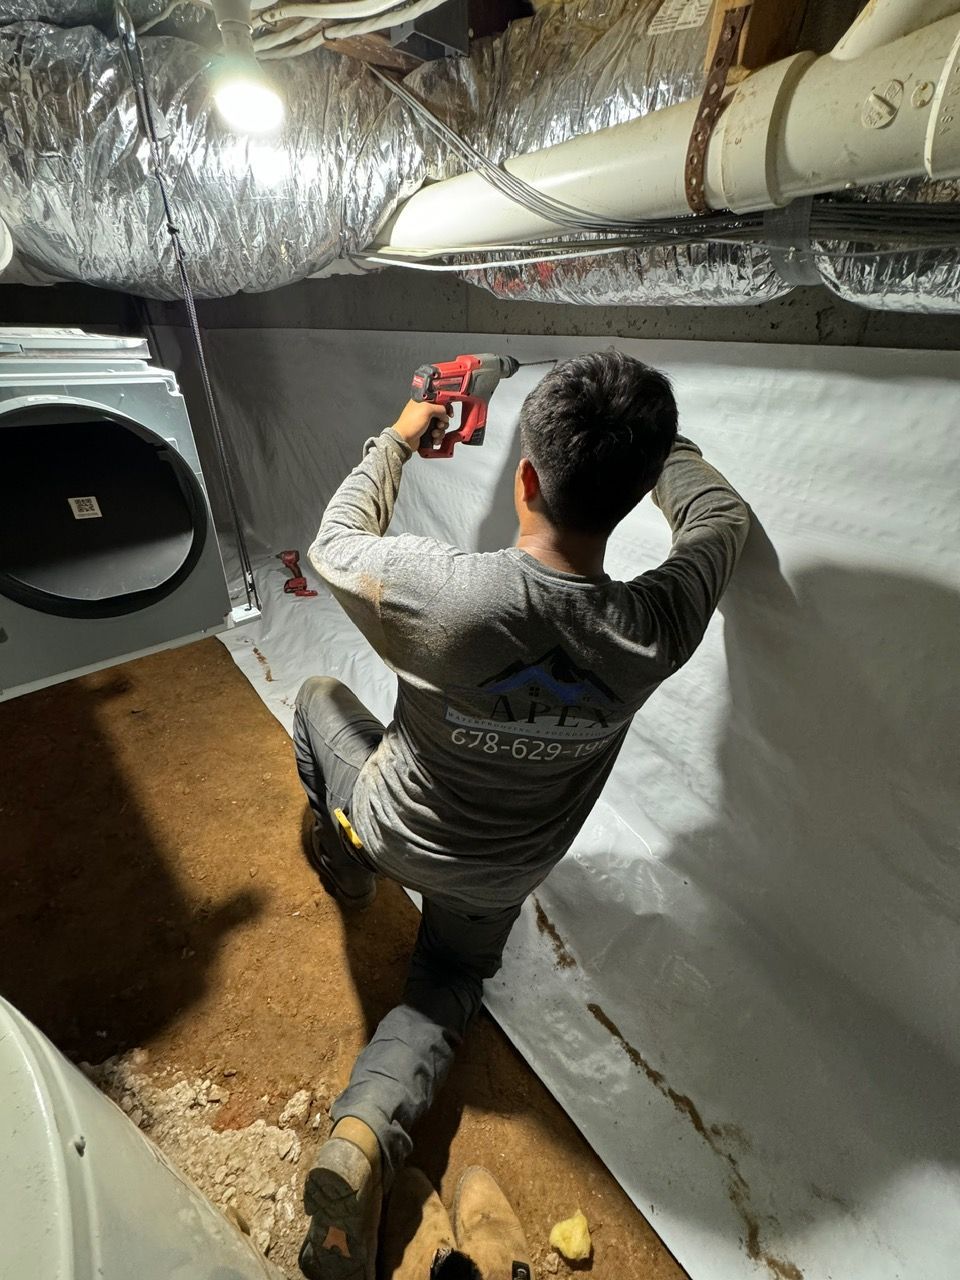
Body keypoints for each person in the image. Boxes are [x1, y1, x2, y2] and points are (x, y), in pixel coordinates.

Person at [293, 350, 750, 1280]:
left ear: (528, 478)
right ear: (626, 498)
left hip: (393, 822)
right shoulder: (654, 624)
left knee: (315, 698)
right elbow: (722, 519)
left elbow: (334, 539)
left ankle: (347, 857)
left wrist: (406, 431)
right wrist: (649, 452)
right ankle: (365, 1128)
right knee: (445, 982)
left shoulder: (439, 592)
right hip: (500, 877)